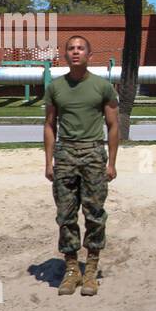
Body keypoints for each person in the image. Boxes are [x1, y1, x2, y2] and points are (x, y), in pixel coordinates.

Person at [44, 35, 119, 296]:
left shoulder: (102, 87)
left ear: (89, 54)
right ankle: (72, 268)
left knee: (94, 213)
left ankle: (91, 269)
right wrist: (49, 161)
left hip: (93, 154)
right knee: (65, 215)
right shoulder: (55, 88)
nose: (75, 52)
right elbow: (49, 125)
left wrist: (112, 162)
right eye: (71, 49)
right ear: (65, 55)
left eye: (80, 48)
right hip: (65, 155)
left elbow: (113, 126)